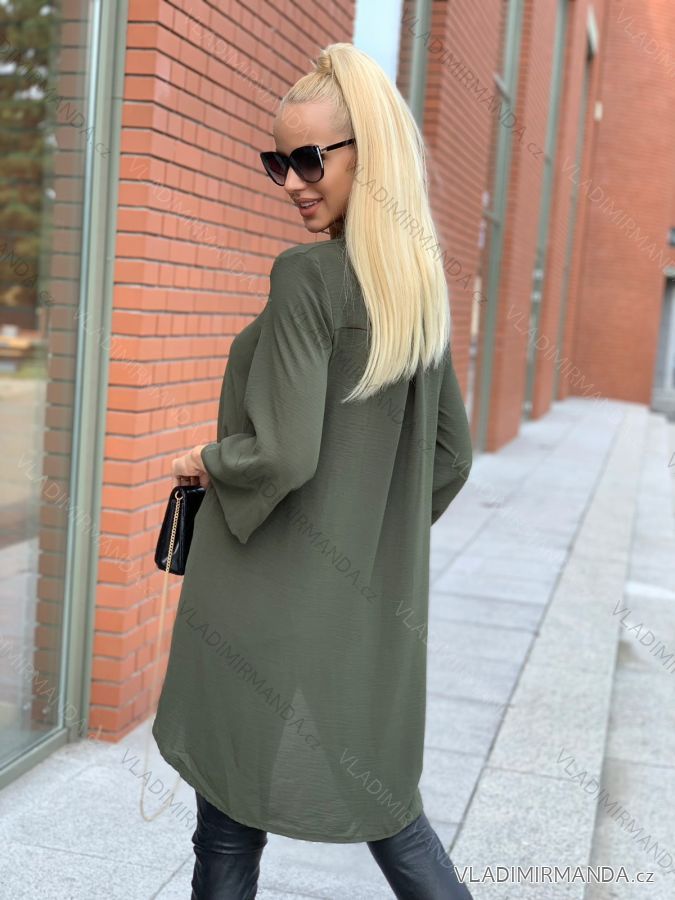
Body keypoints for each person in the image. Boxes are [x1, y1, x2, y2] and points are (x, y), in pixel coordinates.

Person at [152, 42, 474, 899]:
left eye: (308, 159)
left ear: (369, 154)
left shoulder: (306, 276)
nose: (291, 182)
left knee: (226, 820)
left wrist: (204, 458)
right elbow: (451, 457)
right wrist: (361, 539)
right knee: (392, 814)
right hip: (353, 608)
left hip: (256, 597)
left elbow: (283, 453)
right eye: (276, 162)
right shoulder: (414, 285)